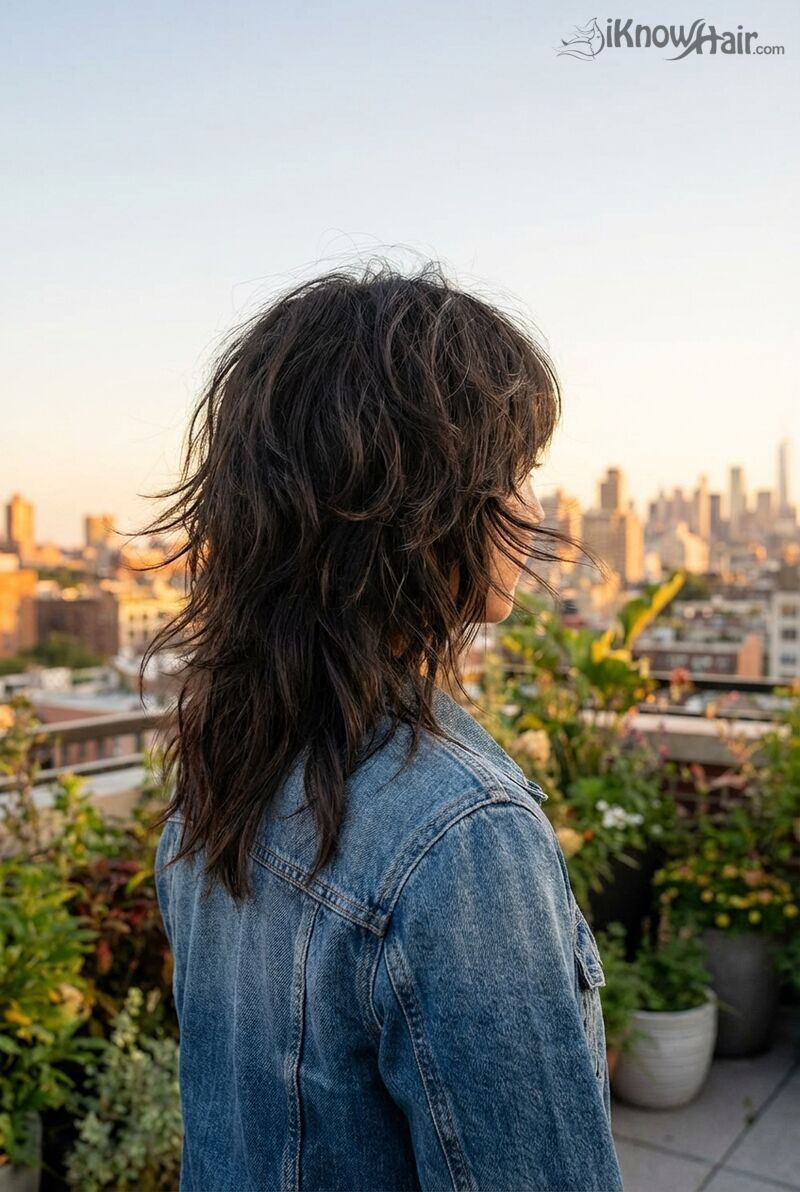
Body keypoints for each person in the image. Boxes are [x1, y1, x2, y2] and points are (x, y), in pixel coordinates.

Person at [147, 260, 624, 1191]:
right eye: (514, 477)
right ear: (420, 509)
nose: (532, 512)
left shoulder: (226, 766)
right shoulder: (459, 834)